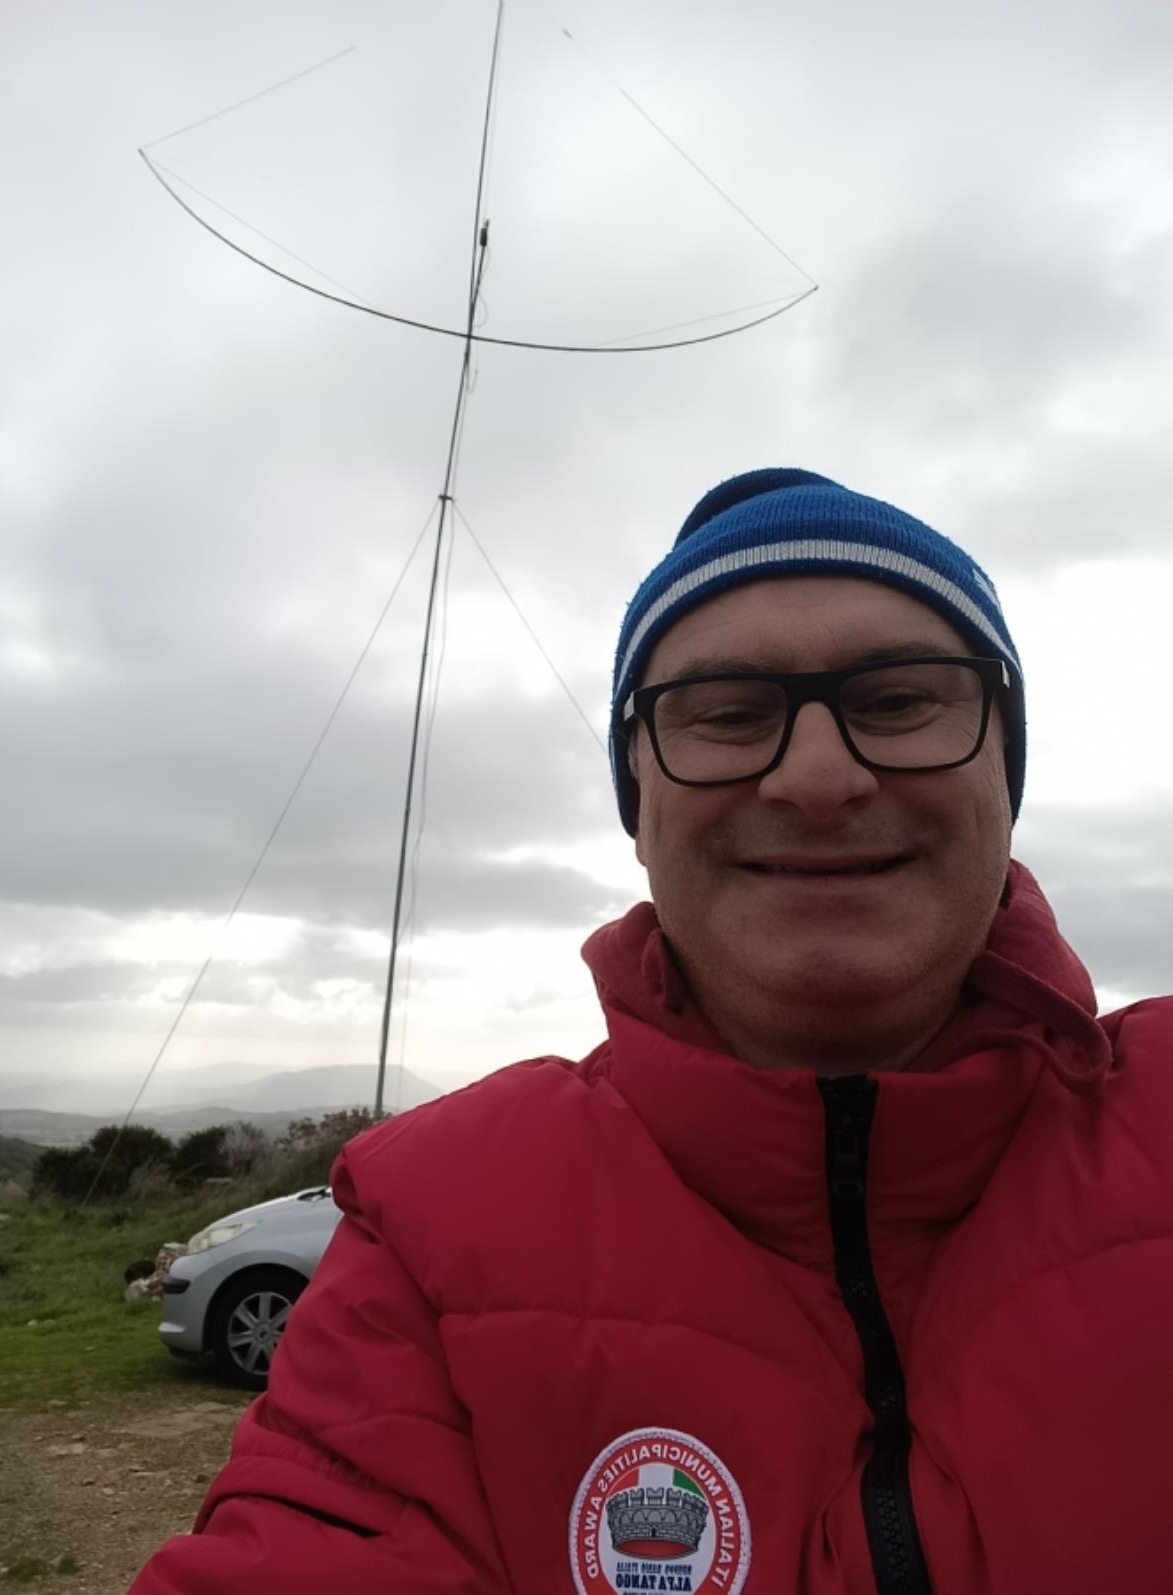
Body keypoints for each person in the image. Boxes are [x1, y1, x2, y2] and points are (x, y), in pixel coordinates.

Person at [131, 469, 1173, 1595]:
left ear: (1004, 768)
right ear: (638, 803)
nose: (819, 777)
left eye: (899, 700)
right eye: (727, 714)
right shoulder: (433, 1225)